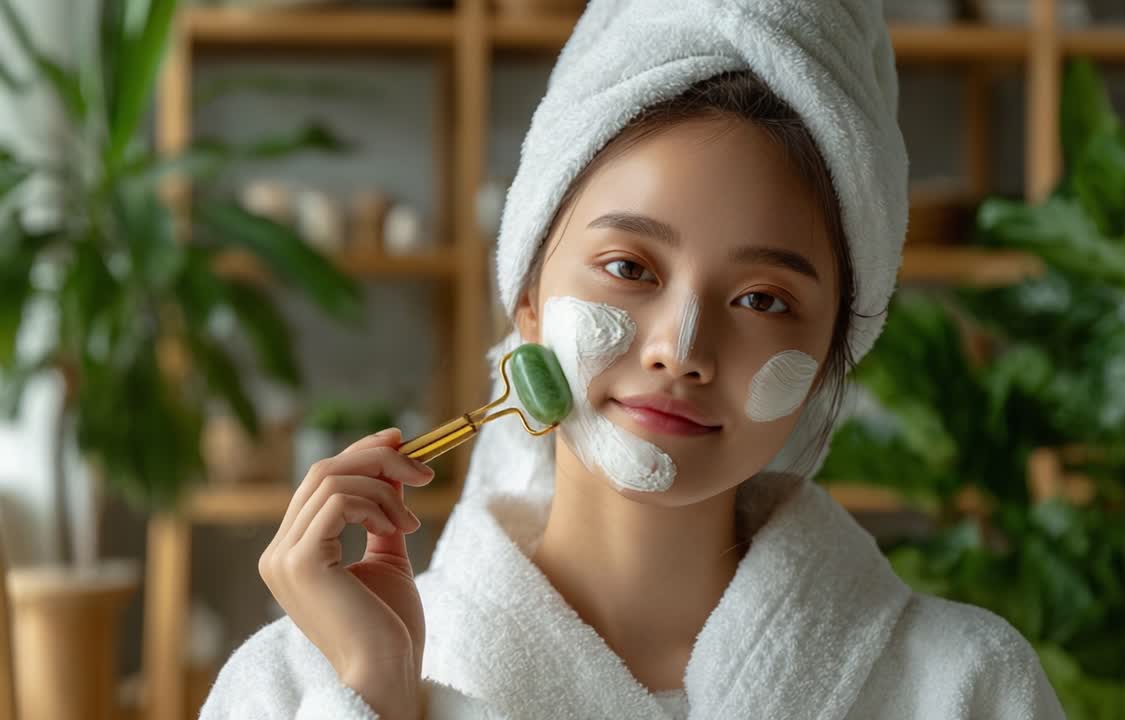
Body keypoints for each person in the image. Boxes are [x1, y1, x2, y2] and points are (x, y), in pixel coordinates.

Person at [201, 1, 1066, 718]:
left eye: (764, 300)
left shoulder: (966, 687)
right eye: (628, 269)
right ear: (528, 300)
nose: (680, 350)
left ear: (835, 351)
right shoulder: (297, 685)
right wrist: (373, 692)